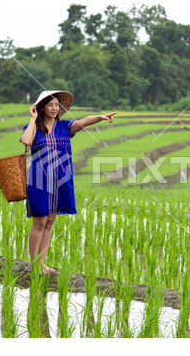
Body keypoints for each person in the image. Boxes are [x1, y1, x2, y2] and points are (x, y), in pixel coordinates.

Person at [19, 90, 116, 275]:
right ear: (41, 107)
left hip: (60, 180)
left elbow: (84, 121)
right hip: (39, 180)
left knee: (50, 222)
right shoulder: (33, 128)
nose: (55, 108)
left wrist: (101, 117)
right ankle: (33, 265)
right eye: (50, 105)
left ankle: (42, 263)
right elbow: (25, 141)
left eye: (57, 105)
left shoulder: (65, 127)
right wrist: (33, 119)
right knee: (39, 222)